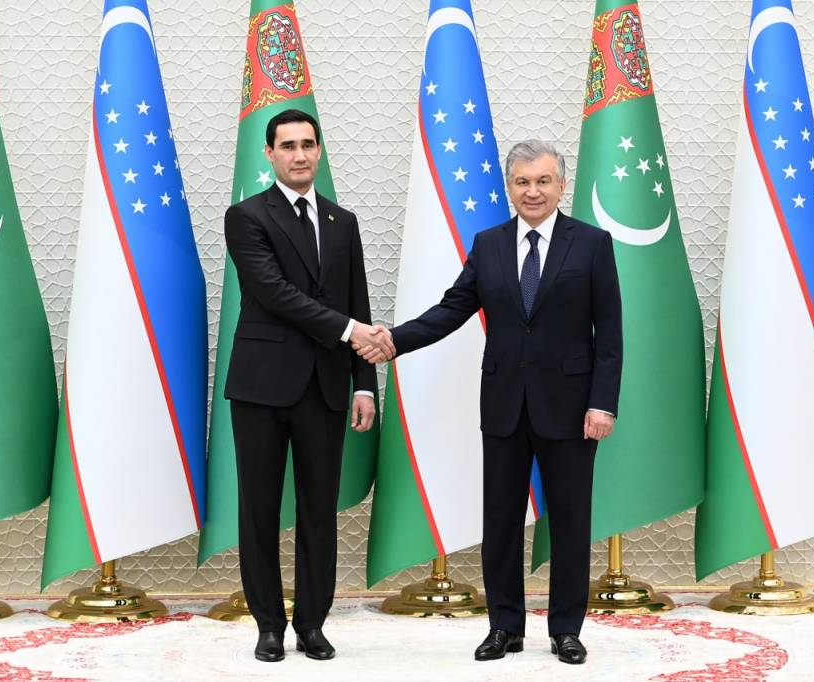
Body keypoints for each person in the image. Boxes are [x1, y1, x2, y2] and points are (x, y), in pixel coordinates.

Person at [358, 140, 622, 665]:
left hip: (571, 409)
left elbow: (610, 333)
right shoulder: (490, 243)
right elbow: (451, 309)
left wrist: (603, 404)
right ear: (509, 187)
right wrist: (393, 341)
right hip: (504, 406)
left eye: (543, 181)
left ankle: (566, 630)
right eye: (522, 182)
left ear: (561, 185)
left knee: (570, 522)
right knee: (500, 521)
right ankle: (505, 626)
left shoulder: (592, 243)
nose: (533, 191)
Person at [224, 108, 393, 662]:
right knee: (259, 510)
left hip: (326, 386)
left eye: (307, 144)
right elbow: (273, 292)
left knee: (319, 511)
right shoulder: (246, 216)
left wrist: (364, 384)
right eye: (288, 146)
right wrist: (349, 331)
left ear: (319, 150)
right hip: (261, 387)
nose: (299, 155)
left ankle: (312, 624)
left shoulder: (343, 221)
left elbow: (358, 300)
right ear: (269, 154)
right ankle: (268, 626)